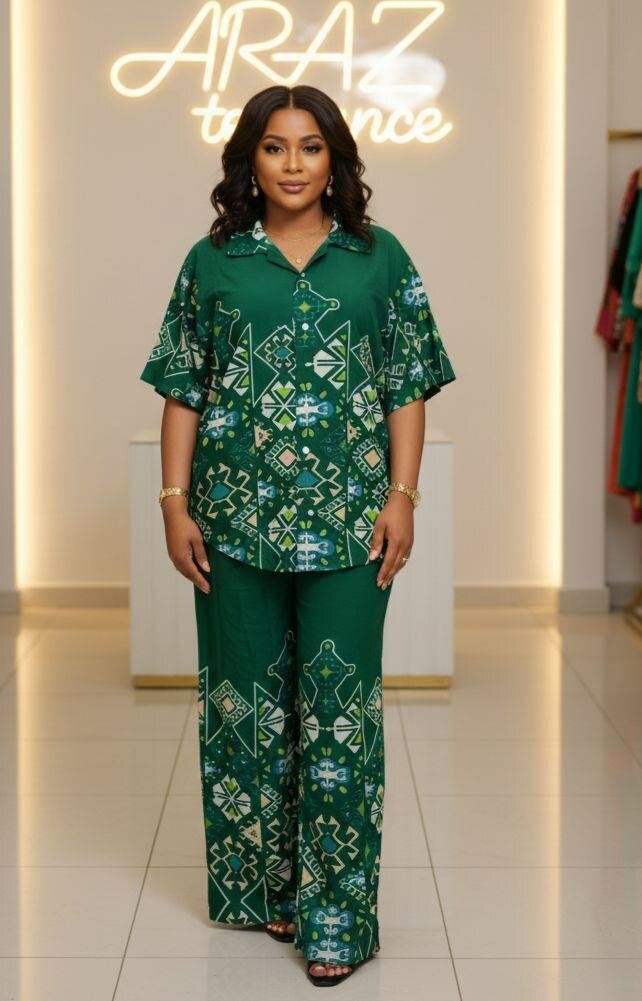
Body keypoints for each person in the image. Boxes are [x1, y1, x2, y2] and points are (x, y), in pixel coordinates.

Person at [139, 84, 456, 986]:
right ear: (250, 160)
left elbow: (405, 384)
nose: (291, 164)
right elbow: (183, 386)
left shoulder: (378, 258)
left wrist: (403, 496)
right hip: (233, 521)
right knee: (244, 710)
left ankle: (338, 917)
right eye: (274, 147)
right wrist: (173, 501)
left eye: (309, 147)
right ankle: (268, 889)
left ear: (335, 159)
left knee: (340, 716)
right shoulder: (213, 261)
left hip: (351, 526)